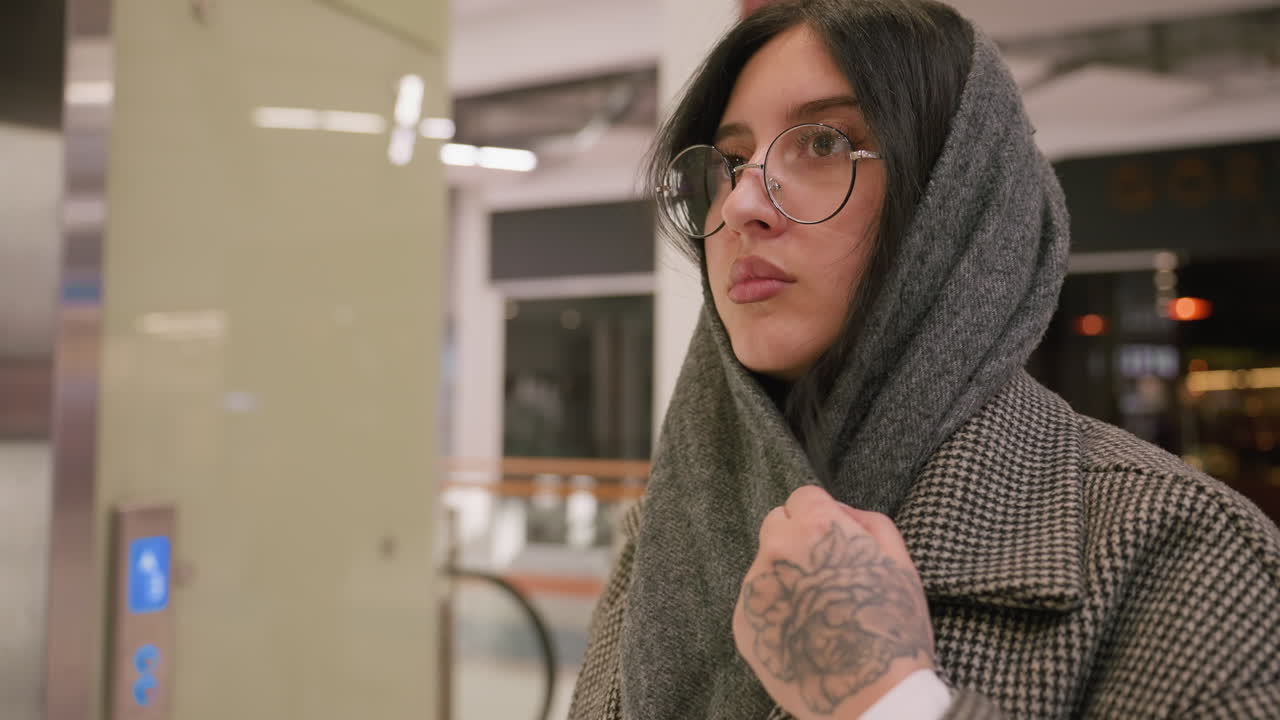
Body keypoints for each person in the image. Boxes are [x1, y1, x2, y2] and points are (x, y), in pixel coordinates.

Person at [567, 0, 1280, 718]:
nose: (744, 202)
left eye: (822, 143)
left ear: (956, 204)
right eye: (728, 161)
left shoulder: (1177, 546)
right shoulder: (672, 530)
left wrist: (887, 699)